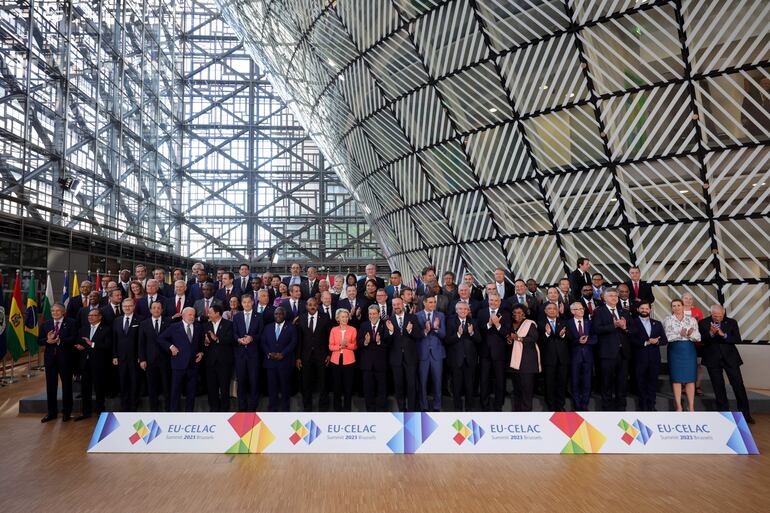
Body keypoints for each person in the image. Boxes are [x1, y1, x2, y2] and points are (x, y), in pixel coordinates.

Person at [698, 305, 754, 423]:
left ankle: (745, 415)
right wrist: (711, 333)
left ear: (723, 313)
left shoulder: (732, 322)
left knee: (738, 385)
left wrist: (724, 335)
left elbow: (737, 339)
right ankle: (724, 415)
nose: (718, 318)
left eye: (720, 316)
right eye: (715, 316)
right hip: (712, 359)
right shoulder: (703, 322)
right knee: (718, 387)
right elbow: (701, 340)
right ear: (711, 313)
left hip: (730, 358)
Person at [593, 288, 635, 411]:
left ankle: (621, 409)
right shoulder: (599, 312)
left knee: (622, 383)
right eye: (611, 295)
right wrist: (614, 325)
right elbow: (596, 329)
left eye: (616, 295)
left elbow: (634, 329)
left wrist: (625, 327)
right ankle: (607, 409)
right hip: (607, 353)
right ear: (604, 298)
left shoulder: (624, 312)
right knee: (606, 382)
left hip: (623, 353)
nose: (614, 297)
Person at [159, 307, 203, 412]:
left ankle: (189, 413)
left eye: (193, 315)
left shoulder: (198, 327)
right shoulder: (174, 327)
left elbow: (200, 343)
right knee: (175, 391)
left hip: (193, 364)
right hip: (178, 364)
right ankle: (174, 413)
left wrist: (201, 352)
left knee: (191, 391)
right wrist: (171, 347)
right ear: (183, 316)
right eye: (190, 315)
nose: (192, 317)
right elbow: (160, 338)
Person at [39, 303, 76, 422]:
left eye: (58, 311)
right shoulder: (46, 324)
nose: (55, 313)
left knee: (67, 386)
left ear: (63, 311)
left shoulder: (71, 322)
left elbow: (74, 339)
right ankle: (52, 412)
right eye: (53, 311)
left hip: (66, 359)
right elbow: (39, 340)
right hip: (50, 360)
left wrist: (60, 340)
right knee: (50, 387)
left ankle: (67, 412)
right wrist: (47, 341)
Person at [663, 299, 700, 412]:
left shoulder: (692, 320)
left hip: (689, 350)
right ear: (671, 308)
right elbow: (667, 337)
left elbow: (698, 337)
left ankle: (691, 406)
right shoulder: (667, 320)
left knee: (690, 379)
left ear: (683, 306)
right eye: (674, 306)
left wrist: (689, 334)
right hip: (675, 350)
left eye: (679, 305)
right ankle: (678, 406)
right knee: (676, 379)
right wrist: (680, 334)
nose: (676, 307)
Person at [75, 308, 112, 420]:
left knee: (99, 388)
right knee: (85, 388)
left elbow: (108, 346)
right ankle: (86, 412)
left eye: (93, 315)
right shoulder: (83, 329)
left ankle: (100, 410)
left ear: (100, 317)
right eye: (89, 316)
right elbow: (80, 343)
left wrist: (92, 345)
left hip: (99, 364)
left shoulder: (106, 329)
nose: (90, 317)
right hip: (85, 363)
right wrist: (80, 347)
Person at [296, 298, 332, 411]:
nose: (312, 307)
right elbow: (299, 339)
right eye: (310, 305)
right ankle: (307, 407)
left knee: (323, 382)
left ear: (318, 305)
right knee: (306, 383)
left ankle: (323, 407)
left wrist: (329, 354)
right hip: (305, 356)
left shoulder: (325, 317)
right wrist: (298, 357)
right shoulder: (301, 318)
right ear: (306, 306)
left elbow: (329, 337)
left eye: (314, 305)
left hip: (322, 355)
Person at [388, 297, 423, 412]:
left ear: (403, 305)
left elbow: (419, 335)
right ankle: (402, 409)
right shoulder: (389, 320)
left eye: (398, 304)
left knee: (412, 385)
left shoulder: (413, 318)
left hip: (410, 358)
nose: (396, 306)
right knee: (399, 385)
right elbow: (385, 341)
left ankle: (412, 409)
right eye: (394, 305)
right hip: (396, 358)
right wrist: (391, 332)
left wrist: (410, 331)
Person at [445, 302, 480, 411]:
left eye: (465, 309)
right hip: (456, 360)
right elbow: (447, 340)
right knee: (456, 387)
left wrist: (472, 333)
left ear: (468, 310)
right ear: (456, 310)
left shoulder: (474, 322)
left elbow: (479, 340)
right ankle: (457, 409)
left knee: (470, 386)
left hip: (470, 360)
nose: (463, 311)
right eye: (460, 309)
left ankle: (469, 408)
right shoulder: (450, 321)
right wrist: (458, 334)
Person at [477, 293, 510, 411]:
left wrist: (497, 325)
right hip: (484, 352)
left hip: (499, 353)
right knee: (484, 379)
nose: (493, 302)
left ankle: (498, 405)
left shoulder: (505, 314)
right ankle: (484, 405)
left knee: (500, 380)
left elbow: (507, 332)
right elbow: (479, 330)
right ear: (488, 300)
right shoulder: (481, 312)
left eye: (496, 300)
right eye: (491, 300)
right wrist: (489, 324)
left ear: (500, 302)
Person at [262, 307, 297, 412]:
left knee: (285, 387)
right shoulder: (268, 327)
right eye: (276, 314)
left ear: (284, 315)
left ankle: (285, 409)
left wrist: (283, 354)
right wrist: (269, 353)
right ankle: (272, 408)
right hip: (270, 363)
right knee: (272, 388)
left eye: (280, 314)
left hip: (285, 362)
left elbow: (293, 342)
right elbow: (263, 342)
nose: (278, 316)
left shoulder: (291, 327)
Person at [233, 294, 264, 412]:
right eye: (244, 302)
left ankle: (252, 408)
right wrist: (239, 340)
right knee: (241, 381)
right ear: (241, 303)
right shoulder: (237, 317)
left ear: (252, 303)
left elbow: (261, 334)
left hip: (254, 354)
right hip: (240, 354)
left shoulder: (259, 316)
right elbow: (234, 333)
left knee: (254, 381)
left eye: (248, 302)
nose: (246, 304)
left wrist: (252, 338)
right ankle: (242, 408)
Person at [138, 301, 171, 412]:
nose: (156, 310)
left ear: (162, 310)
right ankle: (154, 410)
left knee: (167, 385)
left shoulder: (168, 322)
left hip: (166, 359)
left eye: (158, 308)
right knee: (152, 386)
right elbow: (141, 343)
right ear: (150, 310)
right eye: (154, 308)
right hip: (150, 360)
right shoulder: (144, 323)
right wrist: (142, 359)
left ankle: (168, 409)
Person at [358, 305, 392, 411]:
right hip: (367, 363)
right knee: (368, 389)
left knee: (382, 388)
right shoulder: (363, 325)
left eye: (374, 314)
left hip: (380, 363)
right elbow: (358, 341)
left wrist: (379, 342)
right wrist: (365, 342)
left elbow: (390, 343)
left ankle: (381, 410)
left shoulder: (385, 325)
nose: (372, 316)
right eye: (370, 314)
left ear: (378, 314)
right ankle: (370, 411)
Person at [202, 304, 235, 412]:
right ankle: (214, 409)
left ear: (217, 313)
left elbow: (231, 339)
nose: (208, 314)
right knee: (212, 388)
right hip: (210, 362)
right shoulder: (206, 325)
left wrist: (216, 339)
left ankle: (224, 410)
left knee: (224, 387)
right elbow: (203, 343)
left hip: (224, 362)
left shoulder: (229, 324)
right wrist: (206, 343)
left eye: (210, 312)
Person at [416, 295, 446, 412]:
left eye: (434, 302)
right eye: (430, 302)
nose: (433, 304)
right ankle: (423, 406)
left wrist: (436, 329)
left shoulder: (441, 315)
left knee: (438, 381)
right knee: (422, 382)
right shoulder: (417, 316)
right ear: (424, 303)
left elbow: (444, 334)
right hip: (422, 353)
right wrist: (426, 331)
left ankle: (437, 406)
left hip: (437, 354)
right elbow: (416, 335)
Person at [508, 304, 539, 412]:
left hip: (527, 362)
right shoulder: (510, 325)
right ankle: (517, 412)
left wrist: (519, 338)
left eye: (520, 313)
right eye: (515, 313)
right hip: (514, 363)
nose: (517, 315)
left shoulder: (530, 324)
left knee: (527, 390)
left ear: (524, 314)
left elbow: (533, 339)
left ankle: (526, 413)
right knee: (517, 390)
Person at [112, 298, 142, 411]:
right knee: (123, 381)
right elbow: (114, 339)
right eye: (125, 306)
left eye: (130, 306)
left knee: (135, 381)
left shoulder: (140, 320)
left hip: (135, 357)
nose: (127, 308)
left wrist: (141, 356)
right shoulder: (117, 320)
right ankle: (124, 406)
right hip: (120, 357)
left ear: (134, 307)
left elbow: (141, 340)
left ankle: (134, 406)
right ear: (122, 307)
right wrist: (114, 355)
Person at [539, 303, 570, 411]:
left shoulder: (564, 322)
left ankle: (560, 406)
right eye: (549, 309)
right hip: (548, 359)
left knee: (562, 383)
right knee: (549, 383)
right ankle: (551, 406)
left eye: (554, 308)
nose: (552, 310)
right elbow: (538, 340)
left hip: (563, 359)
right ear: (545, 311)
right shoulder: (540, 323)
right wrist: (547, 334)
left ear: (557, 311)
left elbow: (570, 338)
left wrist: (563, 335)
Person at [566, 303, 596, 411]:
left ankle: (585, 405)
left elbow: (595, 337)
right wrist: (578, 341)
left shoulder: (590, 322)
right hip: (574, 356)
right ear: (572, 311)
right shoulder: (567, 323)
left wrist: (587, 340)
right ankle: (577, 405)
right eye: (578, 309)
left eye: (582, 308)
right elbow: (566, 340)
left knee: (587, 381)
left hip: (588, 356)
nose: (581, 310)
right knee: (575, 381)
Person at [329, 309, 358, 411]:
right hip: (335, 361)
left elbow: (354, 346)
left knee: (348, 387)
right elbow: (331, 347)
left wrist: (346, 345)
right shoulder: (333, 330)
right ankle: (337, 410)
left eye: (346, 316)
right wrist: (340, 346)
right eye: (342, 317)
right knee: (337, 387)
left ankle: (347, 409)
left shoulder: (353, 329)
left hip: (349, 361)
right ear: (338, 318)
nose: (344, 319)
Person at [682, 292, 706, 395]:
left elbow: (702, 326)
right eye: (686, 298)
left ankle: (697, 387)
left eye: (690, 299)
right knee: (684, 364)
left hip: (696, 342)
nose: (688, 300)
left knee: (698, 365)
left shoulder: (697, 311)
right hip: (683, 342)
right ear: (682, 300)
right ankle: (684, 386)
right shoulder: (678, 309)